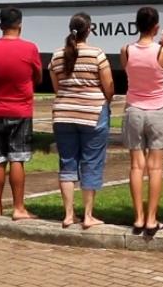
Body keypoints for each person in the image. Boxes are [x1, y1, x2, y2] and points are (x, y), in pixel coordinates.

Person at [49, 13, 115, 229]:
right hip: (93, 113)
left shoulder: (57, 56)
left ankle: (68, 215)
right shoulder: (97, 54)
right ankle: (88, 215)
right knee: (92, 162)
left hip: (63, 114)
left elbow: (57, 88)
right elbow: (109, 86)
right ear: (90, 30)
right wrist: (105, 99)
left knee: (67, 163)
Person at [120, 6, 163, 237]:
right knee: (155, 167)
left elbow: (132, 70)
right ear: (156, 27)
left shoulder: (126, 50)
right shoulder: (162, 52)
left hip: (134, 109)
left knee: (136, 166)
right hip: (158, 110)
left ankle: (138, 217)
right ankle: (152, 219)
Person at [0, 7, 42, 221]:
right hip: (21, 109)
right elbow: (38, 75)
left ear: (0, 26)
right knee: (18, 158)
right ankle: (18, 208)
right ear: (20, 25)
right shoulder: (30, 48)